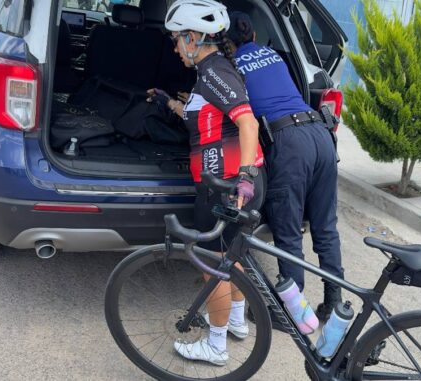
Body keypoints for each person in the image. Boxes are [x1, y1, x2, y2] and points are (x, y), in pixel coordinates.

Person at [148, 0, 266, 367]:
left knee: (213, 265)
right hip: (229, 183)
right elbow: (202, 117)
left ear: (194, 37)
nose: (174, 47)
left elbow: (249, 124)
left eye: (176, 39)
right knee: (232, 256)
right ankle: (236, 323)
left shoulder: (215, 73)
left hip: (226, 186)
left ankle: (215, 346)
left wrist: (243, 180)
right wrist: (169, 103)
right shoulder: (209, 72)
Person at [227, 12, 344, 321]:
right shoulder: (274, 55)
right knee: (325, 227)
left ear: (226, 44)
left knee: (288, 231)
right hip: (320, 134)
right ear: (253, 36)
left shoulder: (230, 67)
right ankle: (335, 304)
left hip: (289, 143)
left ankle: (289, 312)